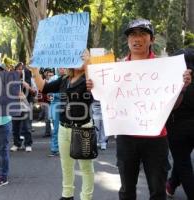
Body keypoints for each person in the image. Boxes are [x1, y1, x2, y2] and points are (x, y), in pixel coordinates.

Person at [86, 18, 190, 200]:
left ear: (152, 39)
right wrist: (94, 85)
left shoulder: (166, 68)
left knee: (158, 191)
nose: (137, 38)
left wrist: (181, 87)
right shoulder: (114, 69)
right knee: (127, 190)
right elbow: (101, 96)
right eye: (133, 34)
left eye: (142, 34)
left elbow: (174, 106)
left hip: (157, 138)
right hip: (126, 137)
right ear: (127, 40)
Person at [32, 62, 94, 200]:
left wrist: (88, 63)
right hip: (64, 127)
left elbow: (93, 91)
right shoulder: (64, 79)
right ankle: (67, 195)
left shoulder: (89, 78)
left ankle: (86, 197)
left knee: (86, 167)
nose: (78, 61)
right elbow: (43, 87)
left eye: (81, 58)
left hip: (82, 128)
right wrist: (34, 70)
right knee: (66, 165)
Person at [165, 48, 194, 199]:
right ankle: (171, 184)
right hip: (182, 130)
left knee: (183, 163)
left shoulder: (173, 82)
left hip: (177, 130)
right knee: (182, 159)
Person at [10, 62, 36, 152]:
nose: (19, 70)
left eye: (21, 69)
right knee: (15, 126)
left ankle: (28, 144)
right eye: (18, 69)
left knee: (27, 126)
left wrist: (28, 87)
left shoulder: (29, 79)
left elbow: (35, 92)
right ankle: (16, 144)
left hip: (26, 105)